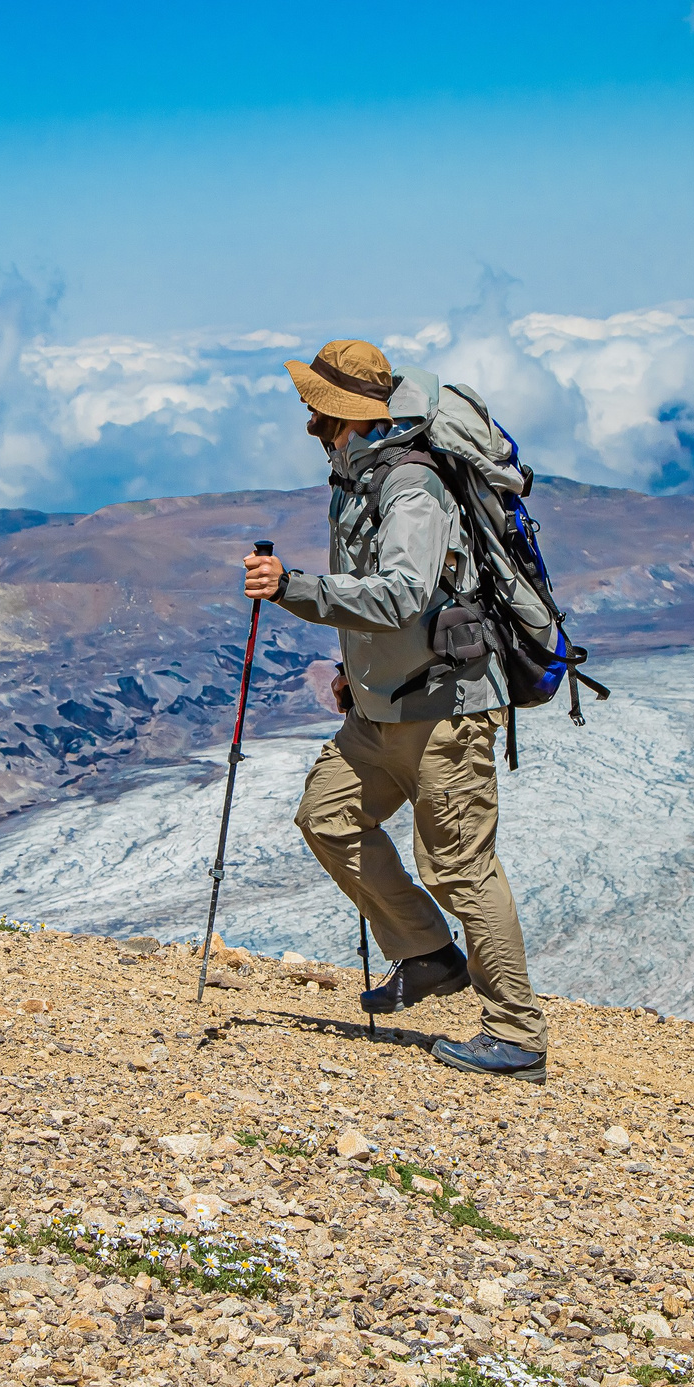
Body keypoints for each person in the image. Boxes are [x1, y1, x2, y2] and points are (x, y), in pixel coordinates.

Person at [241, 339, 549, 1082]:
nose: (308, 411)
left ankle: (517, 1032)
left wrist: (293, 588)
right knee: (327, 814)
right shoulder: (358, 474)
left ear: (339, 411)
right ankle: (428, 953)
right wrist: (357, 671)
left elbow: (403, 595)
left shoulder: (410, 486)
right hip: (383, 708)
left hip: (447, 712)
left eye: (317, 400)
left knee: (462, 869)